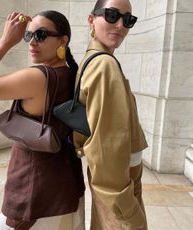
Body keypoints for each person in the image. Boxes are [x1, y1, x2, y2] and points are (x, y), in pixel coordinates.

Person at [0, 10, 85, 230]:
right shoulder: (69, 73)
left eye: (41, 35)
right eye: (28, 36)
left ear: (63, 40)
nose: (31, 42)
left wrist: (4, 42)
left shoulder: (38, 76)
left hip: (34, 191)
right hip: (65, 184)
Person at [73, 0, 148, 229]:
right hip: (118, 184)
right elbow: (106, 145)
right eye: (112, 15)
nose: (120, 25)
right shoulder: (104, 65)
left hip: (116, 179)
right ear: (91, 19)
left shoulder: (95, 58)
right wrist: (124, 205)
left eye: (128, 19)